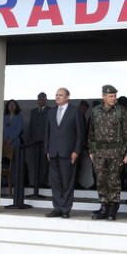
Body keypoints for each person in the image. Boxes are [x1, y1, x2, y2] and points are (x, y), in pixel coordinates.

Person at [87, 85, 127, 221]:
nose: (114, 98)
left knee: (114, 181)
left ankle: (113, 207)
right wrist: (91, 150)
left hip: (116, 152)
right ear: (104, 97)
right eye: (111, 96)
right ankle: (103, 207)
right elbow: (91, 132)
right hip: (99, 152)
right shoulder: (95, 111)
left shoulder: (121, 111)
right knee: (101, 180)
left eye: (115, 96)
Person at [44, 88, 84, 218]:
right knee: (55, 182)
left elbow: (80, 133)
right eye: (56, 95)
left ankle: (66, 208)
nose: (57, 97)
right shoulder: (51, 111)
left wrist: (76, 150)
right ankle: (57, 208)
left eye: (60, 95)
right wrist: (47, 150)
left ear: (67, 97)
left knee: (67, 181)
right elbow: (47, 132)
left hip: (68, 152)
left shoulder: (75, 111)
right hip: (54, 152)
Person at [27, 92, 50, 189]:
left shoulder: (50, 111)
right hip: (35, 141)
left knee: (45, 163)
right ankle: (36, 182)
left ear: (46, 100)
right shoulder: (34, 111)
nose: (41, 100)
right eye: (39, 99)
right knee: (36, 162)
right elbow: (31, 126)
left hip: (46, 142)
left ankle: (44, 182)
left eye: (43, 99)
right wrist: (30, 138)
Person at [3, 99, 24, 191]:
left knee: (14, 163)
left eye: (13, 105)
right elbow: (2, 128)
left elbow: (19, 129)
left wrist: (11, 139)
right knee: (4, 162)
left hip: (15, 142)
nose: (11, 106)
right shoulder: (4, 117)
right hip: (4, 143)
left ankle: (14, 182)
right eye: (10, 105)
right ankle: (4, 182)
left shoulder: (19, 117)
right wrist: (4, 139)